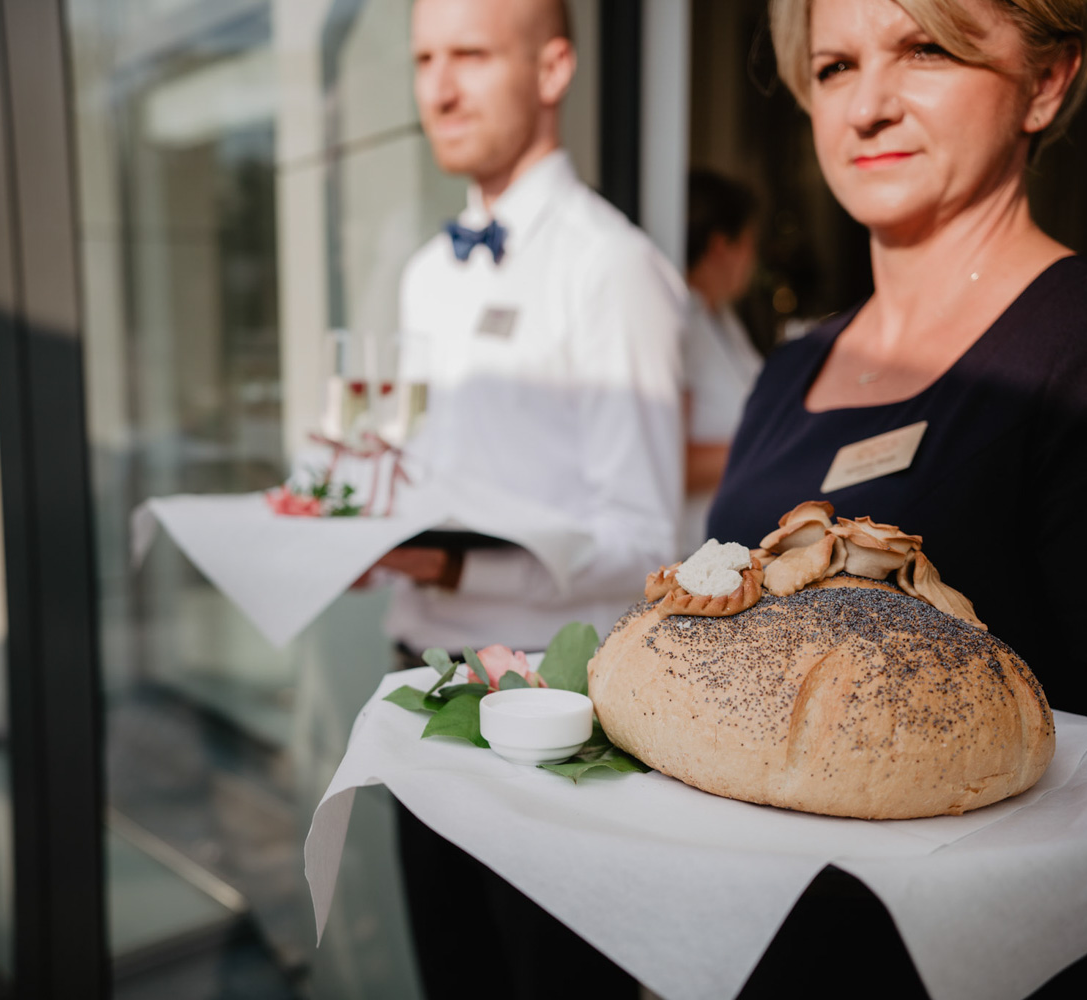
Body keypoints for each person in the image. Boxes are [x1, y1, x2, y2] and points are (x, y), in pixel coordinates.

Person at [708, 0, 1087, 996]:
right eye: (832, 67)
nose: (867, 106)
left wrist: (891, 782)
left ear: (1048, 79)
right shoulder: (791, 370)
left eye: (926, 49)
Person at [374, 0, 686, 996]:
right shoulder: (425, 273)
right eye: (425, 57)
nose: (440, 85)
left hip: (547, 715)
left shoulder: (613, 268)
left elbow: (645, 536)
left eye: (471, 53)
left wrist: (462, 559)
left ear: (554, 69)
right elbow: (417, 465)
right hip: (416, 689)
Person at [680, 171, 763, 554]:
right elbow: (673, 462)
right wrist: (768, 447)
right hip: (690, 550)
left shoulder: (722, 319)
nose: (753, 260)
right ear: (720, 246)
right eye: (749, 244)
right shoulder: (679, 324)